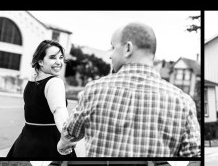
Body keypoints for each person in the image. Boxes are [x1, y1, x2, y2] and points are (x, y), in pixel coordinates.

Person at [57, 22, 201, 157]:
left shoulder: (94, 90)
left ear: (127, 49)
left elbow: (70, 133)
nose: (110, 55)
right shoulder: (183, 102)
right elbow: (193, 154)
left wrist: (62, 146)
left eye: (113, 48)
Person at [7, 40, 77, 158]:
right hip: (49, 142)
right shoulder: (54, 82)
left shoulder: (32, 80)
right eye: (53, 57)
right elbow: (59, 110)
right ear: (40, 61)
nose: (59, 62)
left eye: (60, 57)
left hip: (26, 140)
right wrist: (67, 136)